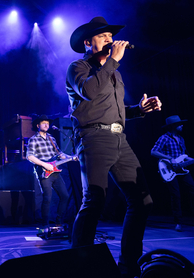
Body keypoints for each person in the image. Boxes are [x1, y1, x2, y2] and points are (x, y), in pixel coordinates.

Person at [66, 16, 162, 278]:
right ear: (88, 42)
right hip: (93, 138)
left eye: (111, 36)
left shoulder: (115, 73)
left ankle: (128, 265)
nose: (110, 40)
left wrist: (139, 110)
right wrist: (112, 62)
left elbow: (113, 111)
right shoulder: (78, 67)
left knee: (142, 201)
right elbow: (89, 92)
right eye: (103, 36)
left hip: (120, 139)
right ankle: (79, 266)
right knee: (94, 200)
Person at [151, 115, 194, 233]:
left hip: (182, 170)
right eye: (180, 124)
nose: (182, 125)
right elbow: (153, 151)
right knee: (176, 195)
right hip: (168, 170)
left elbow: (184, 156)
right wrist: (170, 158)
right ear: (173, 126)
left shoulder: (181, 139)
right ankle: (178, 223)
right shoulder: (164, 138)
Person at [27, 114, 70, 231]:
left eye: (47, 123)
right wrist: (44, 164)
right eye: (43, 123)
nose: (47, 125)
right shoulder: (33, 139)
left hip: (55, 171)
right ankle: (45, 224)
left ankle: (59, 222)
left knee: (65, 196)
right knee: (47, 198)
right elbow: (30, 156)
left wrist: (72, 157)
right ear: (38, 125)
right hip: (44, 171)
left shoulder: (52, 138)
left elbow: (59, 154)